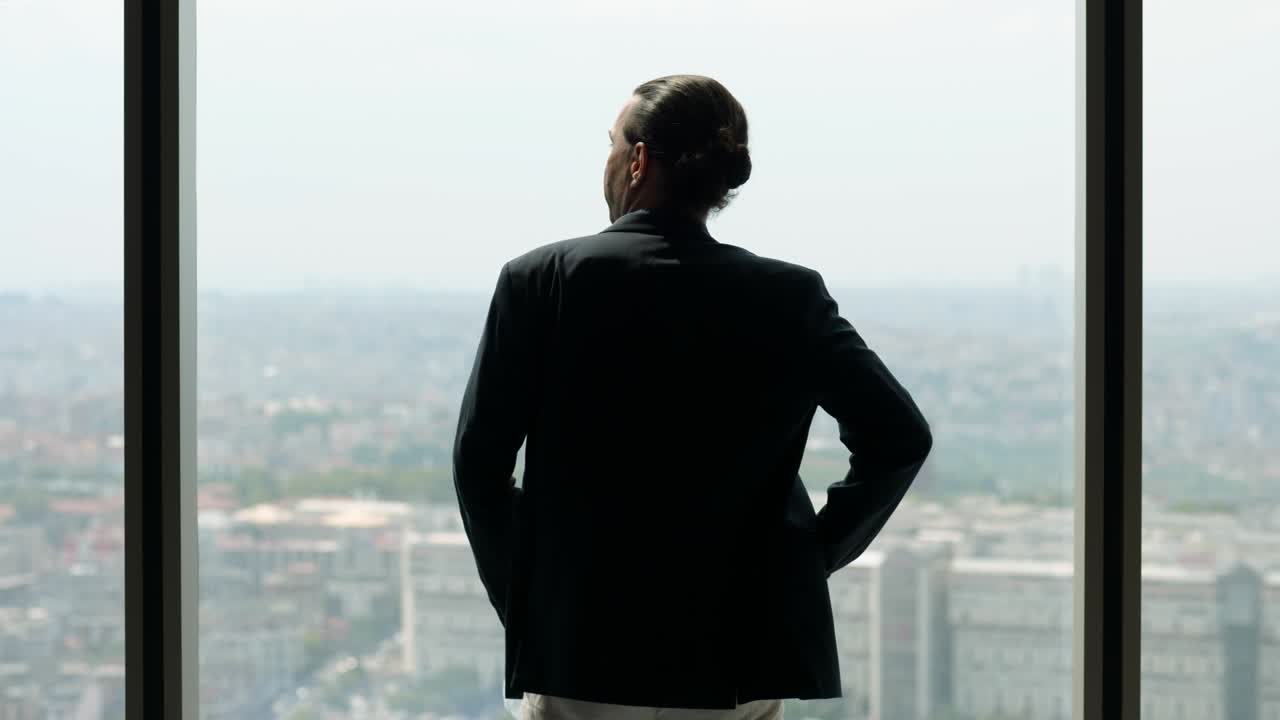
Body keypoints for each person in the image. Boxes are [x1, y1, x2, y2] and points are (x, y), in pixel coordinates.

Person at [453, 74, 933, 720]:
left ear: (639, 159)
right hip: (737, 655)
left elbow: (479, 465)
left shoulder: (541, 283)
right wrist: (809, 558)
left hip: (582, 651)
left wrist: (529, 597)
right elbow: (899, 437)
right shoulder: (787, 296)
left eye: (612, 143)